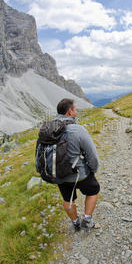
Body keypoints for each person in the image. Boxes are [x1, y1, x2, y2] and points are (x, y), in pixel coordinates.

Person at [55, 98, 100, 231]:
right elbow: (92, 154)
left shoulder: (50, 128)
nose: (77, 110)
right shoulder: (77, 129)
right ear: (69, 111)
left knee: (67, 198)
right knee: (93, 190)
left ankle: (75, 223)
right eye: (75, 108)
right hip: (79, 174)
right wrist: (93, 169)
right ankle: (87, 219)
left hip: (58, 173)